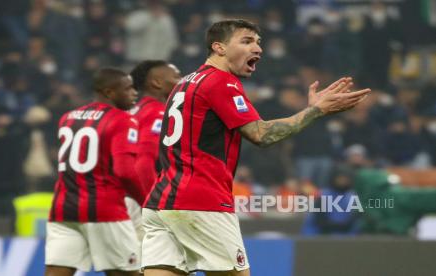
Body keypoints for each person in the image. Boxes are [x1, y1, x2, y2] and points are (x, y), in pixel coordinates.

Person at [141, 19, 371, 276]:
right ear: (219, 47)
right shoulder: (221, 82)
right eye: (247, 41)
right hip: (201, 200)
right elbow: (261, 134)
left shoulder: (184, 83)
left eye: (258, 43)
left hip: (161, 202)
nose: (258, 49)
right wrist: (316, 111)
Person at [45, 68, 145, 276]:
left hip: (63, 209)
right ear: (109, 92)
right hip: (105, 209)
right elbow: (125, 171)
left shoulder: (68, 117)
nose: (134, 92)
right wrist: (145, 201)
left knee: (56, 272)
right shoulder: (122, 120)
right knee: (127, 272)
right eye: (127, 88)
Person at [127, 60, 181, 240]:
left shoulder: (135, 110)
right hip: (140, 198)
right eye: (176, 76)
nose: (181, 81)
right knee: (148, 261)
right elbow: (143, 161)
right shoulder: (158, 112)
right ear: (157, 82)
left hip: (122, 196)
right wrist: (151, 203)